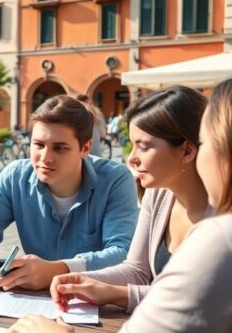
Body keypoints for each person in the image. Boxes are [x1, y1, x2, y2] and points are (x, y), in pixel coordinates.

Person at [0, 69, 232, 333]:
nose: (130, 158)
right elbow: (141, 271)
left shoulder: (228, 239)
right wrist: (98, 285)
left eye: (206, 142)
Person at [49, 86, 212, 313]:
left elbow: (202, 298)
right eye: (131, 144)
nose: (131, 158)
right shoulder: (158, 194)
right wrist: (75, 279)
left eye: (143, 147)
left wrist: (116, 294)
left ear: (187, 151)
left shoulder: (228, 214)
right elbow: (137, 270)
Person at [0, 95, 139, 290]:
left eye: (59, 148)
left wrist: (58, 270)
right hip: (31, 298)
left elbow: (123, 253)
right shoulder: (15, 176)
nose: (45, 158)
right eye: (38, 145)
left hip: (95, 298)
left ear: (85, 148)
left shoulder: (115, 180)